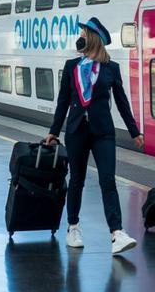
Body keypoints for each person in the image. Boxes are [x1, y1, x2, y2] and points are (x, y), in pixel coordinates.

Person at [43, 18, 144, 255]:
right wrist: (53, 132)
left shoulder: (111, 68)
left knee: (108, 181)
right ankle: (73, 227)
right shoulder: (71, 67)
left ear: (92, 39)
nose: (79, 38)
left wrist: (134, 131)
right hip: (76, 131)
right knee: (76, 180)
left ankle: (117, 233)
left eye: (83, 35)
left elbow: (122, 102)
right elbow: (63, 102)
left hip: (103, 132)